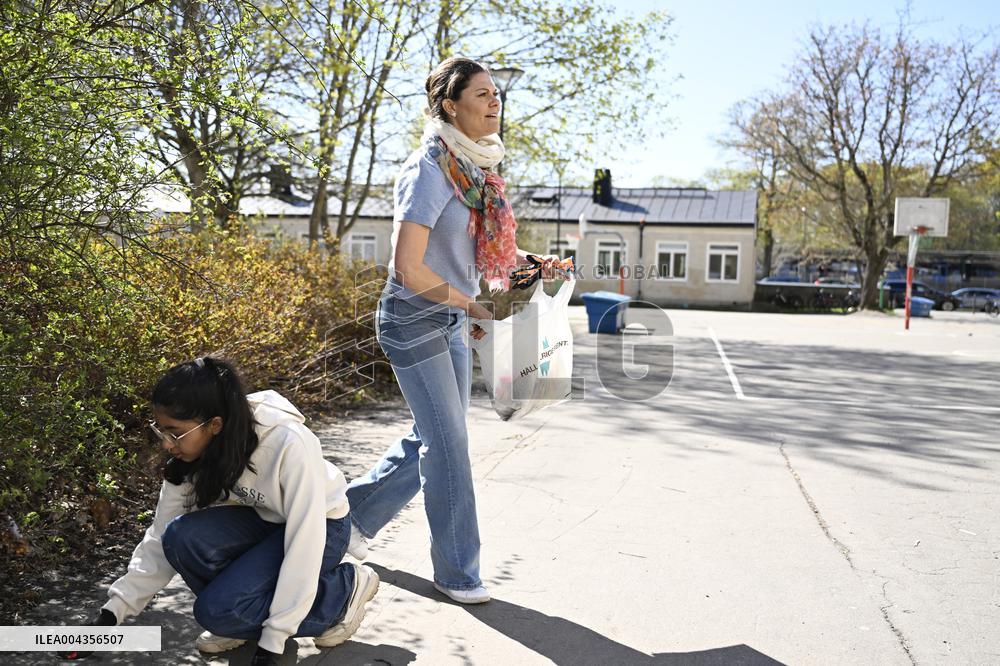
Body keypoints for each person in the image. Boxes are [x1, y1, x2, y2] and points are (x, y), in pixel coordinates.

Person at [344, 56, 562, 604]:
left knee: (433, 436)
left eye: (497, 94)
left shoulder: (479, 170)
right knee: (449, 445)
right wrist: (471, 304)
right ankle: (458, 572)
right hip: (412, 318)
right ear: (450, 105)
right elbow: (407, 268)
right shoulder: (430, 171)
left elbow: (485, 253)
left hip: (449, 317)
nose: (495, 102)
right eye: (483, 94)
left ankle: (344, 524)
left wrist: (536, 264)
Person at [61, 357, 378, 665]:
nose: (167, 444)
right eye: (161, 431)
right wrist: (109, 616)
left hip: (322, 527)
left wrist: (272, 642)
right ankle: (236, 620)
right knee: (180, 536)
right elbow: (159, 536)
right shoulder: (193, 456)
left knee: (216, 611)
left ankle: (341, 594)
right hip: (263, 520)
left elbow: (304, 541)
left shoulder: (287, 442)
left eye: (175, 433)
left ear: (214, 424)